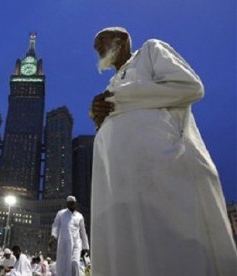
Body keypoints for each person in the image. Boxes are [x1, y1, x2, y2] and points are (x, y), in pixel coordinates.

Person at [89, 26, 237, 275]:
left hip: (164, 171)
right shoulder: (112, 82)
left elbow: (191, 87)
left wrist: (119, 99)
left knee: (172, 248)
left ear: (122, 39)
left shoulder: (150, 51)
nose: (98, 48)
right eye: (95, 46)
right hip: (125, 184)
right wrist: (100, 116)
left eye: (102, 40)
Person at [49, 196, 89, 276]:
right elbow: (56, 226)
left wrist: (86, 247)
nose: (72, 205)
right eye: (70, 203)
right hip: (64, 243)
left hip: (76, 244)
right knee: (64, 265)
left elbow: (83, 232)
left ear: (75, 203)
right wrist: (53, 236)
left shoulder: (79, 216)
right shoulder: (61, 213)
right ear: (67, 204)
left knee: (75, 263)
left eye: (73, 203)